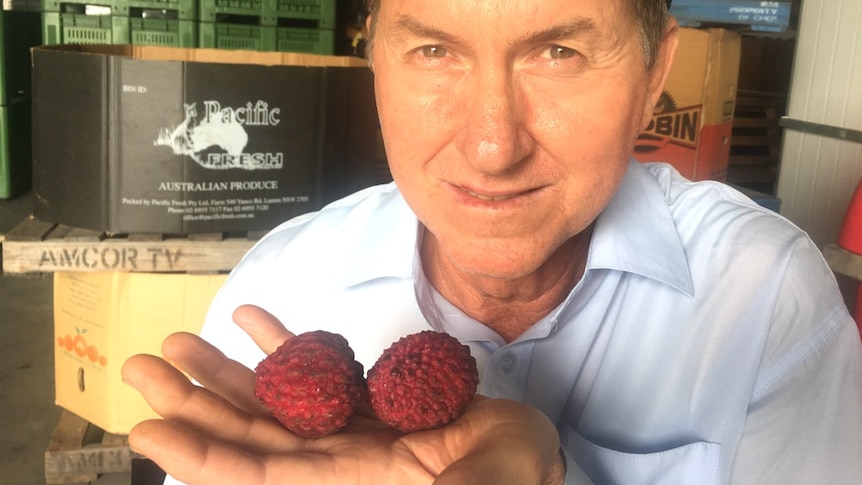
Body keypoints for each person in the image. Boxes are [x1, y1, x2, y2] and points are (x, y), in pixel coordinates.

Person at [121, 0, 862, 483]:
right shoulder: (280, 286)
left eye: (559, 53)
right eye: (435, 51)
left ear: (653, 72)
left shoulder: (763, 297)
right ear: (374, 56)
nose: (492, 145)